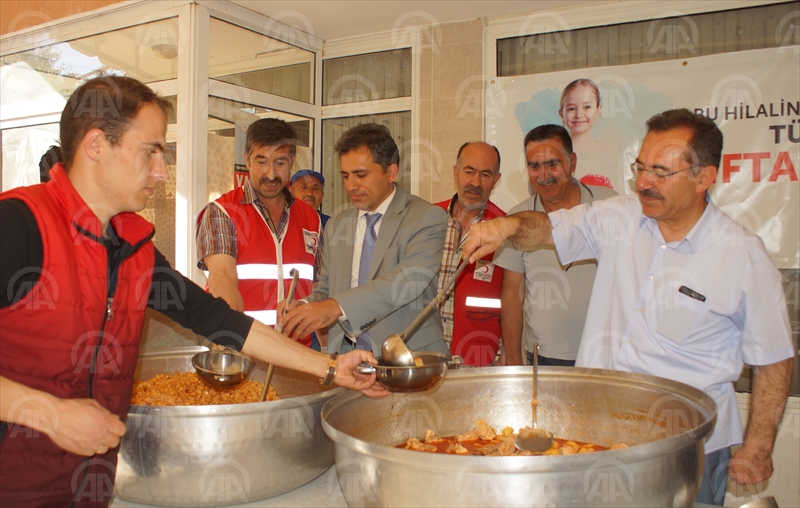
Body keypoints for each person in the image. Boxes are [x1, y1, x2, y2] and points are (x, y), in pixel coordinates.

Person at [0, 76, 383, 507]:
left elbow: (222, 321)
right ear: (96, 146)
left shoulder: (133, 249)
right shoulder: (17, 225)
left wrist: (332, 367)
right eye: (151, 151)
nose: (162, 171)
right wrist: (49, 413)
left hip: (89, 484)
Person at [463, 109, 794, 505]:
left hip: (687, 449)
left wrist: (758, 446)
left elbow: (774, 358)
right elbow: (549, 228)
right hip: (596, 437)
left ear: (704, 178)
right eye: (640, 168)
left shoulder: (742, 257)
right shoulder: (619, 217)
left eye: (661, 172)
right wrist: (508, 226)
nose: (644, 182)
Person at [279, 123, 449, 355]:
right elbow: (327, 288)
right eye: (345, 176)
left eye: (361, 175)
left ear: (391, 172)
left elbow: (406, 283)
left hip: (408, 356)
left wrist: (335, 307)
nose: (351, 186)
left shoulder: (426, 217)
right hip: (347, 357)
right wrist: (304, 306)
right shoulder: (337, 224)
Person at [493, 125, 616, 367]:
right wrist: (514, 359)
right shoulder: (517, 220)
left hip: (606, 355)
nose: (543, 175)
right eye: (534, 166)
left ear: (572, 162)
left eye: (552, 164)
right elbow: (512, 295)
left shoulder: (608, 205)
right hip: (543, 359)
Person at [196, 119, 323, 348]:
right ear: (247, 159)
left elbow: (320, 286)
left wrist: (325, 350)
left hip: (298, 352)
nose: (270, 174)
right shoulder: (223, 212)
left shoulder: (311, 218)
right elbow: (223, 279)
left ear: (292, 161)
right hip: (243, 348)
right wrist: (238, 345)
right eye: (261, 161)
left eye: (280, 163)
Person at [434, 141, 505, 366]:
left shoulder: (504, 229)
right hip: (424, 357)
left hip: (477, 360)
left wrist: (506, 354)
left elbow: (514, 300)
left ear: (496, 179)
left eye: (486, 174)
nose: (475, 182)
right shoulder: (427, 218)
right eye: (469, 171)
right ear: (455, 172)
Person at [559, 78, 614, 189]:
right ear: (561, 114)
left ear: (598, 110)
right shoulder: (555, 152)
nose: (579, 114)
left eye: (587, 107)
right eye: (571, 108)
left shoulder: (610, 153)